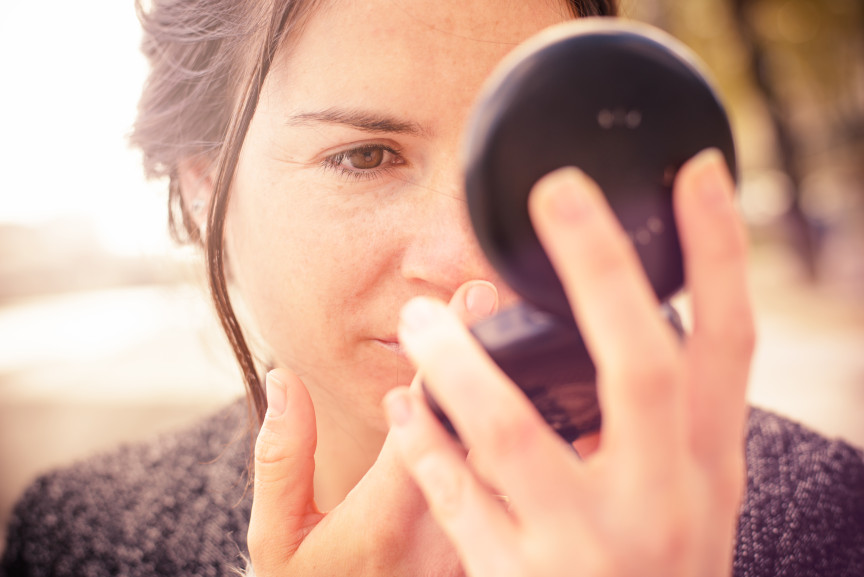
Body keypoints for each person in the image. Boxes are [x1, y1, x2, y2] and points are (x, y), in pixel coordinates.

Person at [2, 0, 863, 576]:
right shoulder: (77, 534)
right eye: (364, 157)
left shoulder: (828, 519)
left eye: (536, 156)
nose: (467, 260)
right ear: (200, 185)